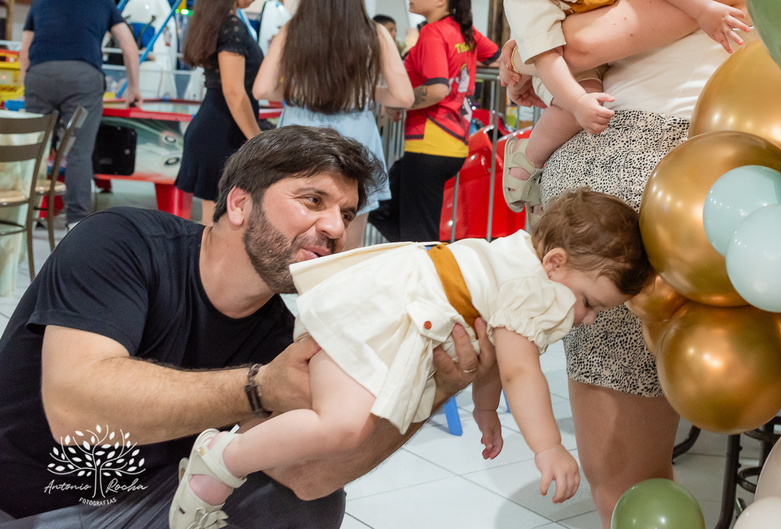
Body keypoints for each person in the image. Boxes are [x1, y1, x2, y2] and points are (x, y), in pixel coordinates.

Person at [0, 126, 493, 526]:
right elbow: (76, 413)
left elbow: (306, 479)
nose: (337, 228)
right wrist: (261, 387)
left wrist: (435, 388)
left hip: (150, 500)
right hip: (30, 507)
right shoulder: (121, 242)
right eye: (313, 200)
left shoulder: (284, 334)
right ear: (238, 204)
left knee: (304, 505)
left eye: (345, 213)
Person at [500, 0, 761, 527]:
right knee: (627, 454)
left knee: (621, 468)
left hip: (631, 201)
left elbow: (582, 45)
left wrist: (536, 41)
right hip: (628, 200)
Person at [169, 187, 650, 527]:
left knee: (329, 425)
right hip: (383, 314)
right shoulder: (540, 289)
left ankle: (229, 463)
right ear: (557, 263)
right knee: (340, 426)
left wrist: (485, 409)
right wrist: (548, 447)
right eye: (590, 302)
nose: (585, 318)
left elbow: (500, 354)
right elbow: (523, 370)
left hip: (383, 299)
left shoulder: (520, 256)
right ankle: (222, 458)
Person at [489, 0, 747, 212]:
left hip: (647, 128)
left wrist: (703, 8)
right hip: (559, 63)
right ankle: (528, 157)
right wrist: (577, 101)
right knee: (573, 106)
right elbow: (556, 56)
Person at [253, 0, 413, 249]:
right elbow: (403, 96)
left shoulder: (293, 29)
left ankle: (295, 294)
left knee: (294, 229)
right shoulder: (374, 33)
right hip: (354, 139)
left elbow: (262, 89)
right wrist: (364, 92)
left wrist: (303, 91)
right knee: (347, 238)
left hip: (299, 138)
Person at [370, 0, 500, 242]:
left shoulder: (433, 33)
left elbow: (437, 89)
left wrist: (390, 98)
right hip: (451, 146)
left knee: (419, 233)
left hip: (431, 143)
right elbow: (499, 58)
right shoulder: (463, 31)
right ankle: (412, 261)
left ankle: (427, 271)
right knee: (379, 206)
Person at [18, 0, 142, 228]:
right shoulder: (102, 2)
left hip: (40, 76)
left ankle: (30, 214)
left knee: (36, 149)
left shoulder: (41, 2)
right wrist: (133, 89)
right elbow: (129, 47)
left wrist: (29, 82)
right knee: (78, 152)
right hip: (83, 78)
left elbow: (24, 51)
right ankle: (76, 221)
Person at [174, 0, 268, 225]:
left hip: (215, 128)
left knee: (215, 227)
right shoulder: (231, 27)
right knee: (216, 231)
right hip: (222, 134)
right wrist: (258, 141)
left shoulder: (218, 21)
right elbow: (233, 90)